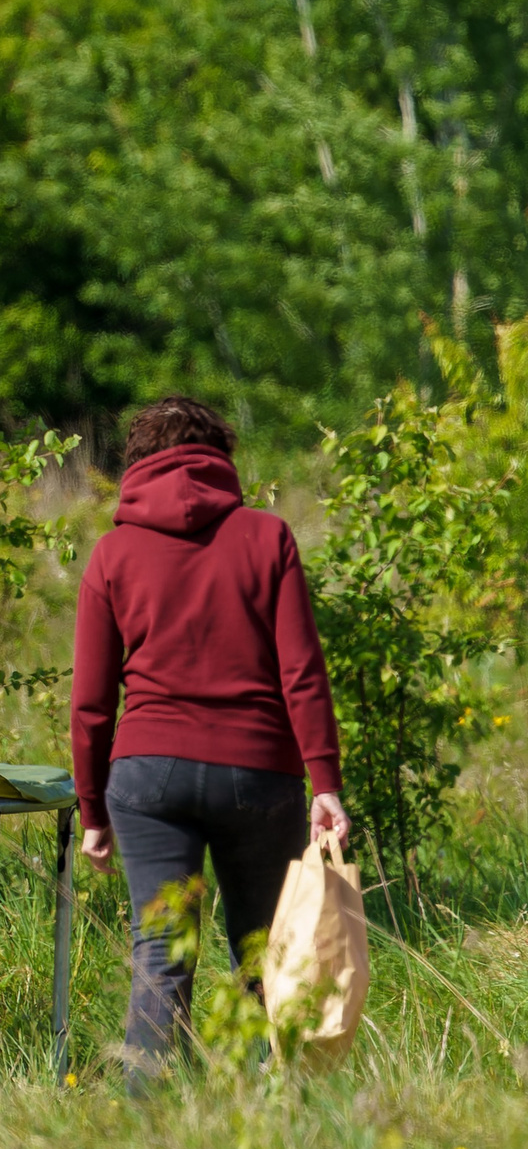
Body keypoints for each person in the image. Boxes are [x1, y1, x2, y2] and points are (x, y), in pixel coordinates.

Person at [70, 395, 350, 1078]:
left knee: (161, 956)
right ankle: (268, 1110)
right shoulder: (267, 536)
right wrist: (327, 785)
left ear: (137, 465)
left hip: (148, 775)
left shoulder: (113, 552)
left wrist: (93, 813)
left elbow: (90, 703)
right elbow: (302, 673)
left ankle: (149, 1128)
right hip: (260, 772)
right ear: (220, 457)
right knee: (265, 954)